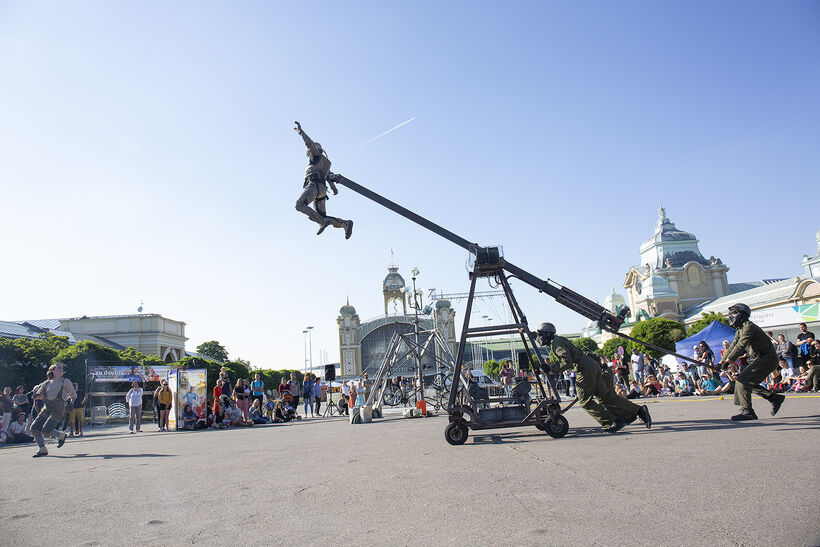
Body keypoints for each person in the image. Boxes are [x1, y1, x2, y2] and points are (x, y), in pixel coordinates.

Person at [535, 323, 650, 433]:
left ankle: (612, 421)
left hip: (584, 369)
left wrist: (551, 369)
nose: (539, 338)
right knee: (605, 397)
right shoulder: (556, 341)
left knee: (585, 402)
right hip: (591, 366)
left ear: (547, 334)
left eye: (540, 335)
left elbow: (566, 360)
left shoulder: (556, 343)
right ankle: (638, 411)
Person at [718, 303, 784, 421]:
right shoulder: (741, 328)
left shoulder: (749, 326)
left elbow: (741, 345)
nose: (731, 316)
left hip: (767, 358)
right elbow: (733, 345)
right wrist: (721, 362)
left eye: (733, 313)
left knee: (741, 381)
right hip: (762, 358)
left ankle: (747, 411)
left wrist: (729, 361)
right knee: (747, 383)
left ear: (741, 315)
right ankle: (774, 398)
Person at [293, 121, 353, 239]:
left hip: (313, 186)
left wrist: (301, 133)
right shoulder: (324, 163)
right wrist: (334, 188)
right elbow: (328, 176)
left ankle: (322, 221)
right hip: (322, 190)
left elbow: (309, 144)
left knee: (299, 205)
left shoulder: (316, 156)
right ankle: (345, 223)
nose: (309, 154)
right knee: (322, 218)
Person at [30, 363, 76, 457]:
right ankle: (42, 449)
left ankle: (60, 435)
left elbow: (73, 395)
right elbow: (40, 395)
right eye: (58, 368)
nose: (61, 369)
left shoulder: (65, 381)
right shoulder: (46, 383)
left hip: (58, 409)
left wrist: (71, 404)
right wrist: (36, 396)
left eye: (62, 368)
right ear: (53, 370)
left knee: (46, 431)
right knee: (34, 428)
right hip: (47, 408)